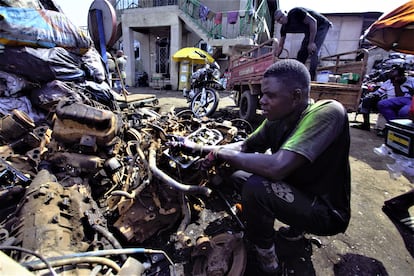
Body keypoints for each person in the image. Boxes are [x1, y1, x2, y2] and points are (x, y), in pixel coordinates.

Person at [181, 59, 351, 273]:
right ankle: (273, 223)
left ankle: (268, 259)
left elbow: (277, 167)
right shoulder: (278, 118)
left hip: (326, 212)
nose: (262, 101)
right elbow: (244, 146)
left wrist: (223, 153)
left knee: (256, 187)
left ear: (296, 96)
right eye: (263, 94)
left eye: (271, 95)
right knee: (235, 174)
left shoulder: (328, 112)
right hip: (298, 192)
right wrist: (198, 147)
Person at [274, 8, 332, 81]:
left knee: (313, 50)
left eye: (282, 16)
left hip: (321, 25)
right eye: (278, 20)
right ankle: (296, 77)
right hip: (309, 31)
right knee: (301, 53)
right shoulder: (284, 28)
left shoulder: (295, 13)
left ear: (286, 12)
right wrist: (275, 57)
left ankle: (311, 79)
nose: (281, 20)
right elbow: (280, 46)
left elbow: (313, 22)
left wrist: (311, 43)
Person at [352, 66, 414, 132]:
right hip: (389, 101)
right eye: (392, 79)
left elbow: (401, 96)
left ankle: (396, 128)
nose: (392, 81)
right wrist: (372, 95)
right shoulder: (389, 82)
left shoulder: (411, 81)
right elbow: (379, 92)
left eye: (395, 78)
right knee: (368, 100)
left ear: (402, 76)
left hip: (409, 101)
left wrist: (397, 85)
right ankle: (366, 124)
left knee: (403, 112)